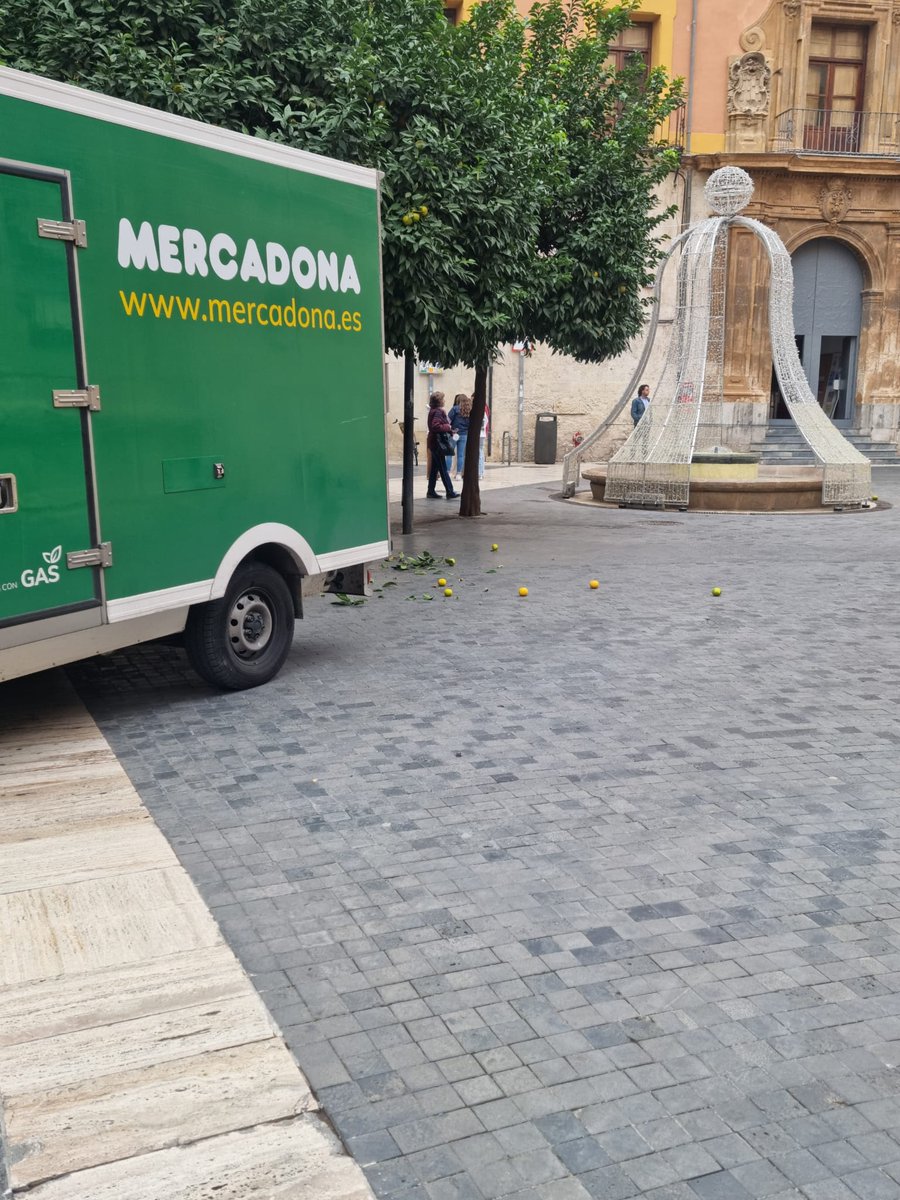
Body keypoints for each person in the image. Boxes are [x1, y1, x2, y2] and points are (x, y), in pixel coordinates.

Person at [426, 393, 458, 499]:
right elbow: (436, 426)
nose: (444, 401)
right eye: (443, 399)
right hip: (437, 443)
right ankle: (450, 491)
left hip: (433, 441)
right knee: (443, 468)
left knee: (435, 468)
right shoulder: (438, 411)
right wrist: (448, 426)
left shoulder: (433, 410)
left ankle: (430, 491)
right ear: (439, 401)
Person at [447, 393, 471, 480]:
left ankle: (448, 473)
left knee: (449, 453)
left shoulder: (455, 409)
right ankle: (458, 474)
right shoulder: (469, 410)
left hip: (454, 433)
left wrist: (450, 429)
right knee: (460, 455)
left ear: (458, 401)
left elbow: (448, 420)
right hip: (464, 434)